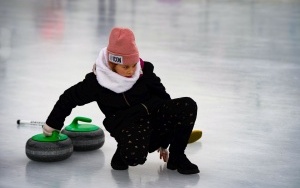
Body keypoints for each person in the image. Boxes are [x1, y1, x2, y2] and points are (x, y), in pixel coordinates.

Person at [42, 27, 200, 175]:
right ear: (112, 64)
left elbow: (164, 99)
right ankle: (123, 150)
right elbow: (68, 98)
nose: (131, 71)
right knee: (134, 157)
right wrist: (53, 124)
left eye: (134, 64)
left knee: (187, 104)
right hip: (126, 124)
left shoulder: (145, 72)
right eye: (125, 67)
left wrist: (166, 139)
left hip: (152, 114)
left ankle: (178, 157)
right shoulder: (97, 83)